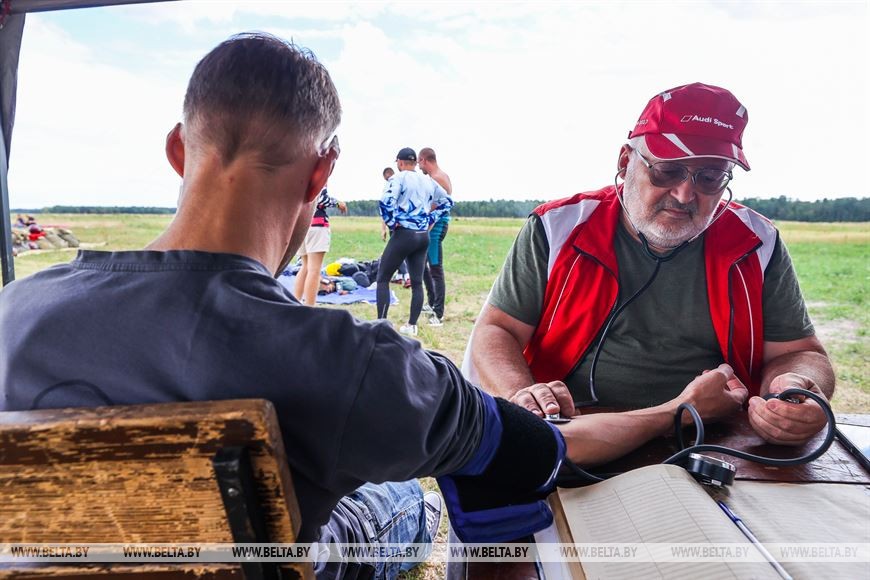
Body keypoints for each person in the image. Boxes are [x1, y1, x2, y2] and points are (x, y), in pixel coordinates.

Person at [0, 33, 583, 579]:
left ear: (178, 150)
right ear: (321, 173)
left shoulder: (15, 310)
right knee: (402, 499)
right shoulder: (350, 359)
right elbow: (527, 455)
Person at [465, 82, 835, 466]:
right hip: (572, 429)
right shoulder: (558, 228)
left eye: (709, 178)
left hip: (709, 441)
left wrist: (797, 389)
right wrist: (523, 395)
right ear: (626, 162)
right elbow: (497, 330)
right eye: (667, 171)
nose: (684, 195)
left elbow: (800, 353)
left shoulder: (756, 242)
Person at [377, 147, 453, 336]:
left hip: (404, 233)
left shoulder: (398, 178)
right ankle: (412, 325)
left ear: (400, 163)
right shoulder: (427, 181)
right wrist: (429, 219)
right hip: (422, 236)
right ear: (414, 162)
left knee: (383, 278)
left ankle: (382, 324)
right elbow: (448, 202)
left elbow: (385, 203)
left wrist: (393, 223)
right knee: (417, 283)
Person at [294, 186, 347, 305]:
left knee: (305, 266)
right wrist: (338, 204)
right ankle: (309, 308)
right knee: (314, 270)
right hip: (316, 224)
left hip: (300, 223)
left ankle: (295, 302)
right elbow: (321, 198)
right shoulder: (319, 168)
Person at [418, 147, 453, 327]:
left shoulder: (436, 179)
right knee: (423, 264)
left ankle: (438, 313)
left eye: (419, 162)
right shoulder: (441, 176)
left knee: (436, 268)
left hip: (436, 227)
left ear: (424, 160)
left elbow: (432, 207)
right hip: (434, 226)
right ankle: (431, 302)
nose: (418, 166)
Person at [379, 166, 410, 287]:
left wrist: (385, 228)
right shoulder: (402, 185)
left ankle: (407, 276)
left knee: (397, 252)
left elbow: (385, 208)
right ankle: (399, 276)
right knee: (401, 251)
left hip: (397, 225)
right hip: (404, 224)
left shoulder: (390, 187)